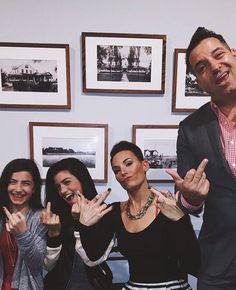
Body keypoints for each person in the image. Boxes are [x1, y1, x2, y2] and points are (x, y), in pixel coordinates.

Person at [77, 141, 201, 290]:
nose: (122, 172)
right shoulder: (115, 211)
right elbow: (93, 255)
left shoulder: (167, 205)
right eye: (116, 170)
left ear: (145, 165)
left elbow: (194, 265)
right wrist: (84, 225)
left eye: (128, 163)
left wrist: (181, 220)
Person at [167, 27, 236, 289]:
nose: (215, 67)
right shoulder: (190, 129)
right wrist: (192, 196)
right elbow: (186, 200)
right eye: (202, 66)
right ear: (199, 81)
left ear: (234, 54)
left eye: (219, 55)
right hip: (219, 263)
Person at [40, 157, 113, 290]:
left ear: (82, 180)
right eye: (58, 187)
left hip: (94, 284)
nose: (62, 191)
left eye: (67, 182)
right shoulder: (56, 216)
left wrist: (81, 223)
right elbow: (48, 266)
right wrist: (54, 234)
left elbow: (92, 261)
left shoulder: (103, 212)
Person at [0, 158, 47, 290]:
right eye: (12, 182)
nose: (18, 189)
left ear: (34, 187)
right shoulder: (2, 216)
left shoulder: (41, 217)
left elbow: (37, 264)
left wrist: (22, 234)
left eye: (26, 183)